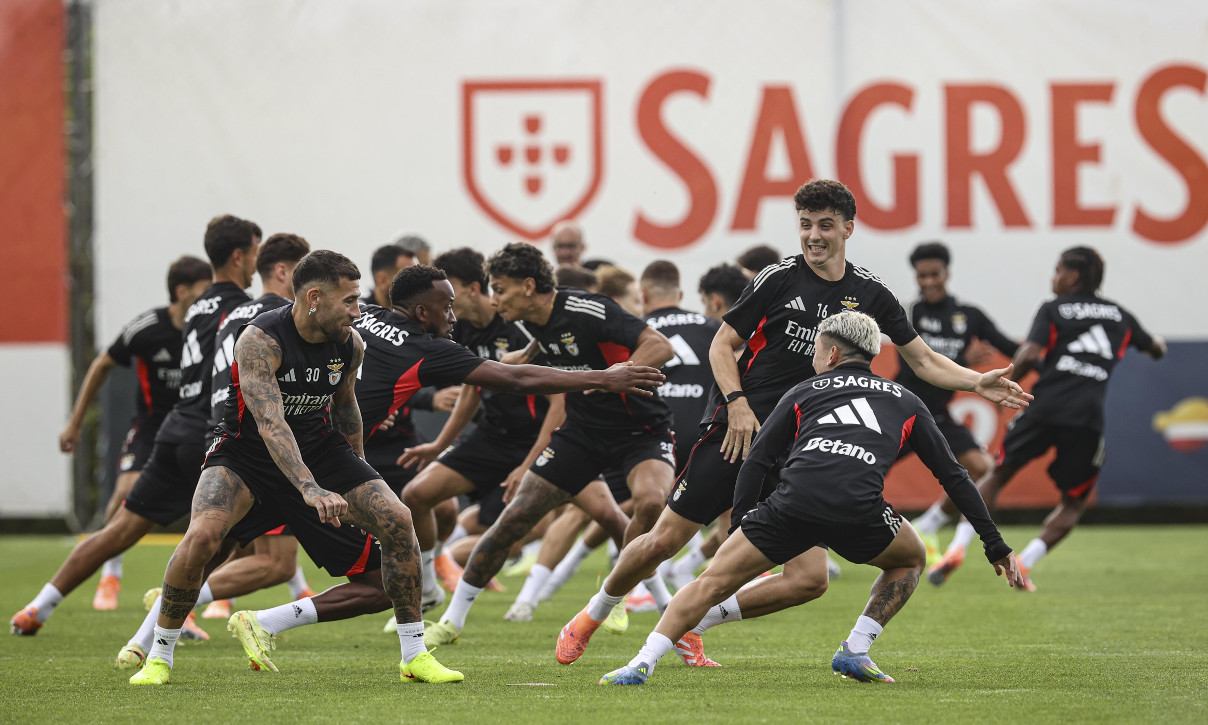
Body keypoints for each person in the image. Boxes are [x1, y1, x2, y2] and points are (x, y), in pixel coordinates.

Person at [554, 179, 1031, 668]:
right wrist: (737, 404)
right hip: (738, 435)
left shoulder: (870, 293)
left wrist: (976, 383)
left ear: (848, 228)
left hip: (804, 448)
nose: (813, 236)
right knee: (665, 540)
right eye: (805, 225)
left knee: (810, 580)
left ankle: (693, 625)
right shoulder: (777, 279)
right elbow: (722, 346)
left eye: (825, 225)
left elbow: (924, 360)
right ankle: (591, 615)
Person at [598, 311, 1025, 686]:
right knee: (910, 558)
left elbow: (757, 460)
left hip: (792, 505)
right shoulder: (907, 401)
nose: (813, 358)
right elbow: (954, 476)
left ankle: (641, 663)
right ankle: (856, 649)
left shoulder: (803, 392)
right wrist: (994, 543)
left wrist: (744, 520)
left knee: (708, 583)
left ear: (833, 355)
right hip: (861, 512)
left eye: (817, 351)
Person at [12, 214, 262, 637]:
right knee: (241, 542)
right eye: (255, 252)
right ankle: (161, 625)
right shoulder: (248, 309)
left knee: (123, 530)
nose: (257, 261)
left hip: (174, 429)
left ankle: (38, 607)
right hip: (212, 436)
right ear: (239, 257)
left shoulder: (195, 306)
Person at [424, 243, 677, 648]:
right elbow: (546, 349)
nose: (494, 299)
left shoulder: (589, 309)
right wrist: (510, 363)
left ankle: (612, 596)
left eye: (501, 289)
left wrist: (615, 375)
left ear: (528, 286)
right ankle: (452, 621)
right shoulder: (534, 322)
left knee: (649, 502)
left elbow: (661, 346)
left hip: (640, 432)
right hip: (580, 436)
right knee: (512, 521)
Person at [929, 246, 1165, 590]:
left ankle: (958, 546)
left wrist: (1008, 385)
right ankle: (1026, 562)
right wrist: (1158, 345)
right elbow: (1153, 348)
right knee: (1074, 501)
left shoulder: (1055, 309)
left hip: (1044, 406)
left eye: (1058, 270)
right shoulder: (1120, 316)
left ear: (1073, 276)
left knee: (998, 475)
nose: (1054, 277)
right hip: (1087, 418)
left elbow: (1030, 353)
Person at [128, 233, 314, 637]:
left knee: (210, 546)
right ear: (284, 271)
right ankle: (179, 615)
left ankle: (148, 638)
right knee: (273, 563)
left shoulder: (233, 313)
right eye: (306, 271)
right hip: (265, 447)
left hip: (223, 437)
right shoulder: (284, 317)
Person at [397, 248, 560, 610]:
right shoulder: (461, 329)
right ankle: (428, 586)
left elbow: (559, 404)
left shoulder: (520, 327)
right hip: (490, 437)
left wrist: (528, 464)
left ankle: (641, 595)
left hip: (536, 443)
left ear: (472, 288)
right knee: (417, 494)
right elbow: (470, 391)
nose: (441, 299)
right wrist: (439, 443)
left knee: (596, 514)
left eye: (447, 289)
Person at [55, 255, 212, 611]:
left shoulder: (209, 328)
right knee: (126, 489)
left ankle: (223, 592)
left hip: (198, 424)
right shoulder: (147, 327)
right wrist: (75, 422)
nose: (207, 300)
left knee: (228, 501)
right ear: (181, 291)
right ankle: (111, 575)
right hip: (152, 425)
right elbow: (102, 363)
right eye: (202, 292)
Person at [893, 242, 1020, 563]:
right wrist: (963, 358)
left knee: (984, 470)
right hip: (900, 409)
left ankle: (929, 524)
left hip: (936, 415)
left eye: (934, 274)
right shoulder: (908, 312)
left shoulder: (969, 315)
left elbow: (1011, 347)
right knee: (854, 471)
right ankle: (815, 545)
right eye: (922, 276)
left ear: (946, 273)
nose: (929, 281)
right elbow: (915, 366)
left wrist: (1052, 366)